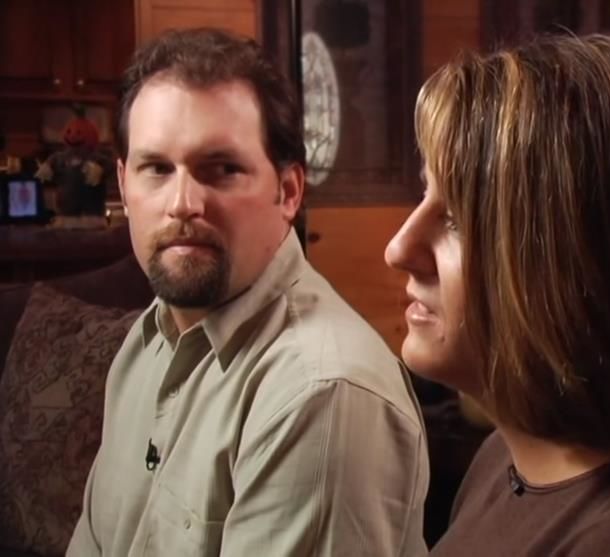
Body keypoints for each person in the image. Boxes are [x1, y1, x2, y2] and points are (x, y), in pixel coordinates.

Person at [67, 27, 428, 557]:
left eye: (221, 170)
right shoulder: (145, 341)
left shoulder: (321, 393)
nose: (183, 203)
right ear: (123, 184)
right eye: (157, 169)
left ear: (288, 192)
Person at [385, 33, 610, 556]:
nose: (399, 249)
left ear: (588, 265)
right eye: (426, 193)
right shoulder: (516, 450)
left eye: (457, 219)